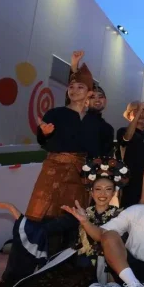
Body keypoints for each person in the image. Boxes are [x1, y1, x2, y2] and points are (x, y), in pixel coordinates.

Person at [0, 157, 128, 287]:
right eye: (98, 189)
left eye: (108, 189)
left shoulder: (122, 215)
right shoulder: (79, 213)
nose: (103, 193)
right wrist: (16, 212)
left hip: (110, 267)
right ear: (91, 192)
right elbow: (44, 229)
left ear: (114, 192)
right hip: (78, 264)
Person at [28, 63, 113, 225]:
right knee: (42, 213)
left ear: (89, 92)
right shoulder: (55, 113)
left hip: (81, 175)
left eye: (80, 87)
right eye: (71, 87)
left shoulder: (97, 124)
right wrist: (44, 133)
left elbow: (100, 153)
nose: (74, 90)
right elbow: (42, 141)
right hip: (53, 170)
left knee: (71, 217)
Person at [118, 101, 144, 208]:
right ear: (128, 115)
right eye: (136, 111)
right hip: (131, 179)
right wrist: (139, 111)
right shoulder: (122, 131)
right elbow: (127, 138)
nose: (141, 113)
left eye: (143, 111)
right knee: (129, 209)